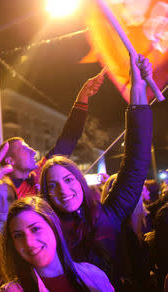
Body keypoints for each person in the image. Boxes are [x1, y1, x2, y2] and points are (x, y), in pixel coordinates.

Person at [39, 54, 153, 289]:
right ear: (45, 195)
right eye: (52, 185)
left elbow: (136, 159)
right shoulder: (46, 233)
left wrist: (138, 89)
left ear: (80, 181)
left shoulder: (108, 215)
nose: (63, 190)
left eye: (69, 179)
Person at [0, 70, 105, 199]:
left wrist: (83, 96)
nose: (33, 151)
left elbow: (69, 138)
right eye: (24, 149)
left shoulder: (40, 174)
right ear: (10, 160)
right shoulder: (1, 193)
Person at [1, 196, 114, 292]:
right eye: (18, 235)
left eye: (35, 229)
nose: (29, 243)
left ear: (53, 226)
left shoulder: (94, 276)